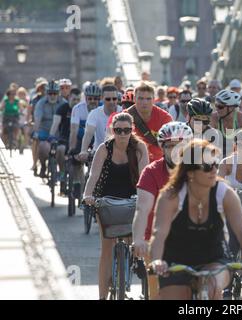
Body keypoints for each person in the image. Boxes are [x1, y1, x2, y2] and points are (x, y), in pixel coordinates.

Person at [149, 139, 242, 300]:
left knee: (213, 286)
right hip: (176, 259)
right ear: (190, 172)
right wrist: (156, 260)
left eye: (215, 164)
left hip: (215, 258)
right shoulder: (171, 196)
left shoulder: (224, 193)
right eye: (206, 166)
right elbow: (159, 233)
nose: (213, 170)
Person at [82, 113, 149, 300]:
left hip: (132, 198)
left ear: (132, 130)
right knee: (107, 247)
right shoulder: (104, 149)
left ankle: (133, 263)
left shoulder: (139, 148)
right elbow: (94, 176)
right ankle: (102, 296)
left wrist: (147, 197)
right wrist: (87, 195)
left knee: (132, 239)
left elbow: (145, 176)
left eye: (126, 130)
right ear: (113, 130)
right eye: (118, 130)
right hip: (106, 200)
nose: (122, 134)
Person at [133, 122, 193, 258]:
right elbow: (142, 208)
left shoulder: (199, 170)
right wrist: (138, 239)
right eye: (170, 146)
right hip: (156, 238)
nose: (176, 150)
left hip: (191, 237)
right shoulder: (151, 172)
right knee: (156, 276)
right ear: (162, 148)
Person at [125, 82, 173, 162]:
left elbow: (171, 146)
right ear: (134, 99)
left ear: (154, 100)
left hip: (157, 166)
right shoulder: (125, 117)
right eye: (141, 98)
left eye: (148, 99)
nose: (145, 102)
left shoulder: (165, 118)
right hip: (131, 164)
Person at [49, 88, 81, 192]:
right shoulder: (62, 108)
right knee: (60, 150)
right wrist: (51, 135)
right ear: (69, 98)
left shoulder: (82, 109)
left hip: (78, 139)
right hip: (64, 138)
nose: (76, 102)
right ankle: (62, 173)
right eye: (74, 99)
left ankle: (78, 184)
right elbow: (55, 123)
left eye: (78, 99)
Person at [78, 85, 123, 161]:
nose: (111, 101)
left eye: (114, 99)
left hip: (120, 153)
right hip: (98, 152)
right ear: (102, 98)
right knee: (93, 172)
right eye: (108, 99)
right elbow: (88, 134)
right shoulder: (94, 113)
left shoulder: (123, 112)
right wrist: (83, 151)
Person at [33, 80, 67, 178]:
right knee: (42, 146)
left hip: (59, 131)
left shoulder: (64, 103)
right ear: (46, 93)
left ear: (58, 93)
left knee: (62, 150)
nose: (52, 96)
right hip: (45, 130)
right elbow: (38, 119)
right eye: (50, 93)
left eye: (55, 93)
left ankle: (62, 173)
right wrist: (35, 132)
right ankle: (43, 165)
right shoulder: (41, 103)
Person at [211, 90, 242, 159]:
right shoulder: (213, 117)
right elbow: (208, 143)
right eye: (216, 105)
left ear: (231, 108)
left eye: (220, 107)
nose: (217, 109)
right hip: (218, 157)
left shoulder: (241, 117)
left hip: (238, 157)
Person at [30, 78, 48, 175]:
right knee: (35, 141)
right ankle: (34, 163)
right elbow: (31, 112)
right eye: (42, 88)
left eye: (45, 88)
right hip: (37, 123)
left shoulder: (50, 98)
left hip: (47, 125)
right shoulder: (35, 99)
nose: (44, 90)